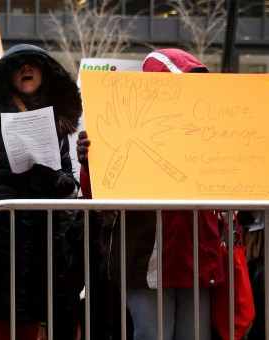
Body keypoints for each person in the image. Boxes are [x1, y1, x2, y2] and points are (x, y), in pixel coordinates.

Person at [76, 48, 224, 340]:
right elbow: (98, 194)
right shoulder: (126, 125)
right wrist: (90, 162)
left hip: (196, 251)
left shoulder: (209, 125)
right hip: (146, 255)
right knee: (152, 335)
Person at [0, 44, 82, 340]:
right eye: (19, 65)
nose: (26, 69)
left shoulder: (57, 121)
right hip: (0, 243)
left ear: (46, 72)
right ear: (7, 74)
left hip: (41, 244)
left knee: (29, 326)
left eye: (33, 64)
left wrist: (58, 183)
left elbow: (69, 184)